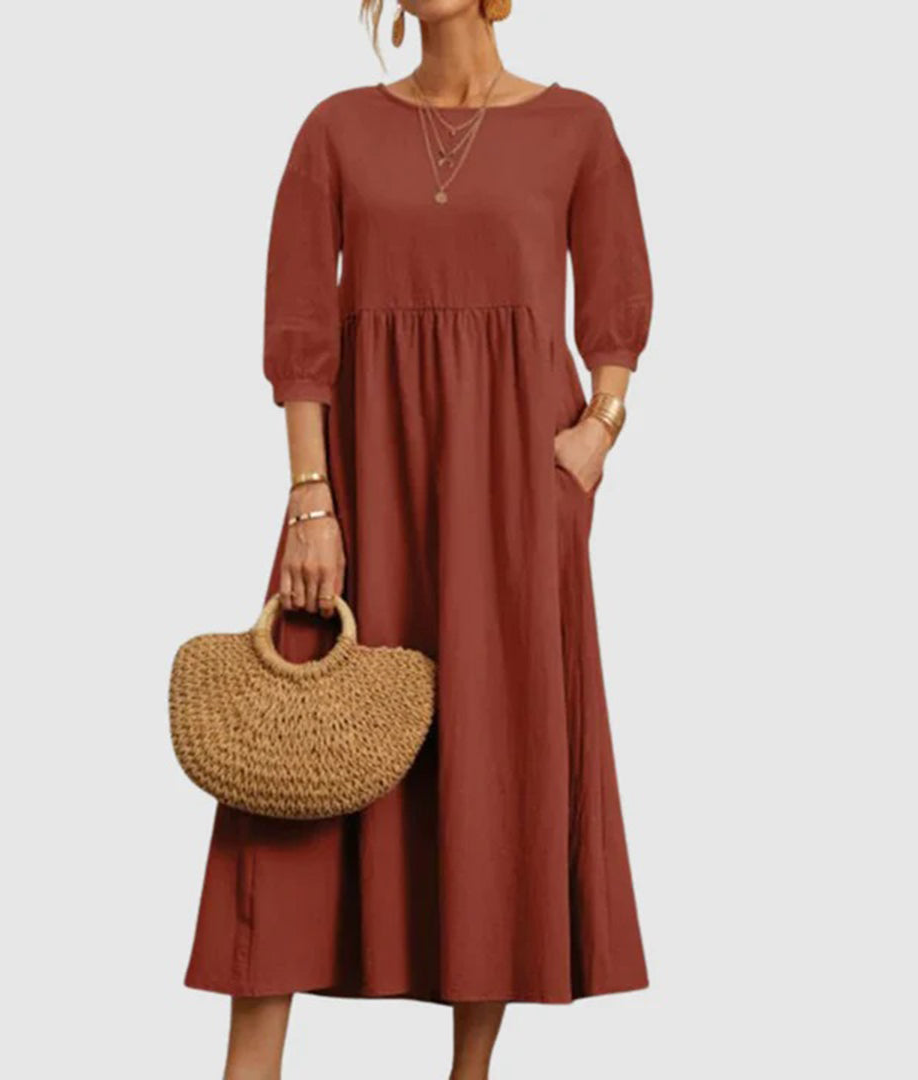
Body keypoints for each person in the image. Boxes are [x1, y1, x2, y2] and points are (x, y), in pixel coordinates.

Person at [185, 2, 653, 1077]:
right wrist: (311, 500)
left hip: (514, 493)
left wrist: (598, 430)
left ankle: (468, 1072)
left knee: (497, 753)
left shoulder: (578, 126)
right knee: (292, 751)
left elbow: (617, 295)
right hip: (364, 477)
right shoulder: (337, 128)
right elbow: (299, 324)